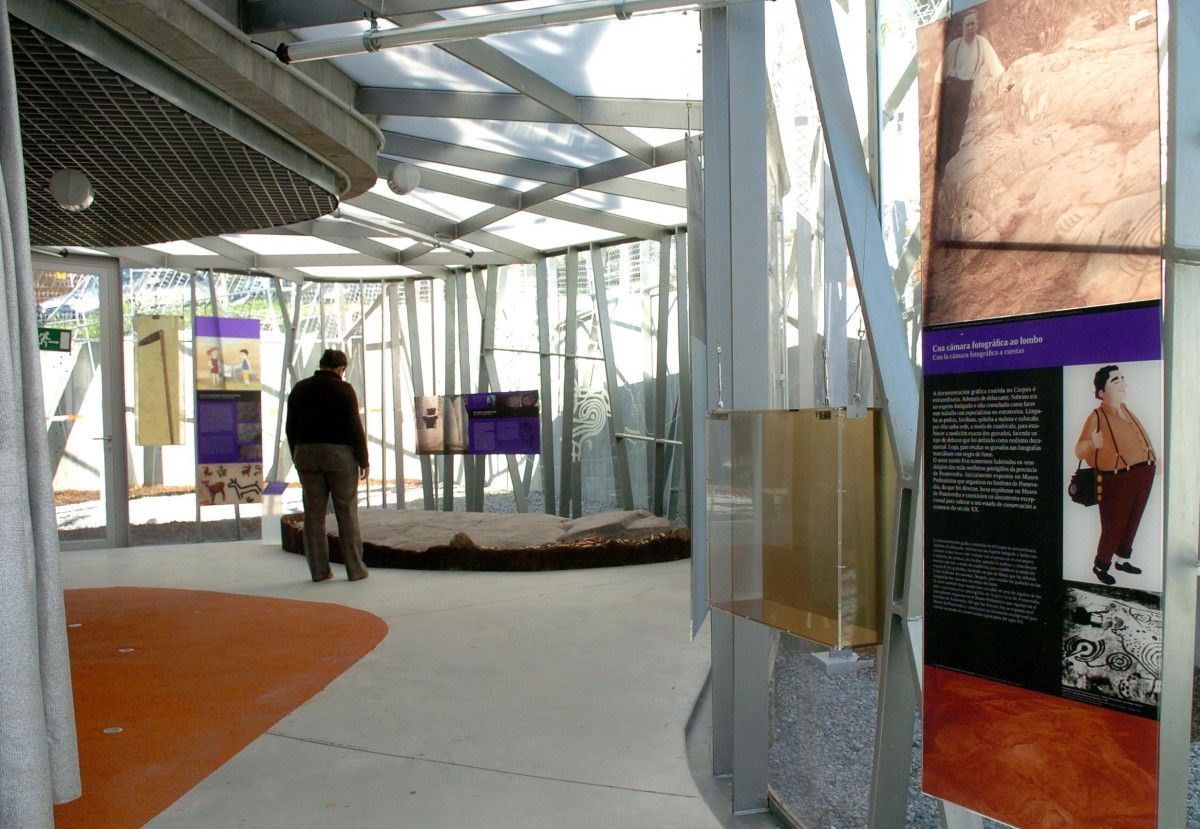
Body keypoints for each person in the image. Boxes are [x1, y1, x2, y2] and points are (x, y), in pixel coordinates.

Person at [285, 349, 370, 582]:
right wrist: (363, 460)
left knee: (313, 515)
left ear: (321, 364)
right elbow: (354, 426)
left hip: (306, 454)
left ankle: (319, 571)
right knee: (346, 512)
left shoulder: (300, 388)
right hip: (338, 455)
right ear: (341, 368)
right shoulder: (344, 389)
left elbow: (290, 427)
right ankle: (355, 569)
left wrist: (297, 454)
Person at [1074, 365, 1157, 586]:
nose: (1121, 381)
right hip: (1116, 477)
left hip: (1143, 472)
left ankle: (1122, 560)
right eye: (1114, 380)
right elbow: (1079, 450)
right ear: (1101, 392)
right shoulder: (1097, 416)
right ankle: (1101, 565)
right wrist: (1092, 443)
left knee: (1133, 519)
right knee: (1114, 524)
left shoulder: (1126, 409)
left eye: (1122, 377)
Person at [928, 8, 1005, 178]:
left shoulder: (982, 44)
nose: (970, 28)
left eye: (973, 24)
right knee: (945, 135)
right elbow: (938, 78)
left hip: (965, 92)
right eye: (967, 25)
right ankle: (939, 176)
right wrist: (934, 109)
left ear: (977, 25)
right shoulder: (954, 46)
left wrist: (1006, 86)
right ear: (962, 28)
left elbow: (998, 70)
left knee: (957, 134)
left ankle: (949, 177)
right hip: (950, 91)